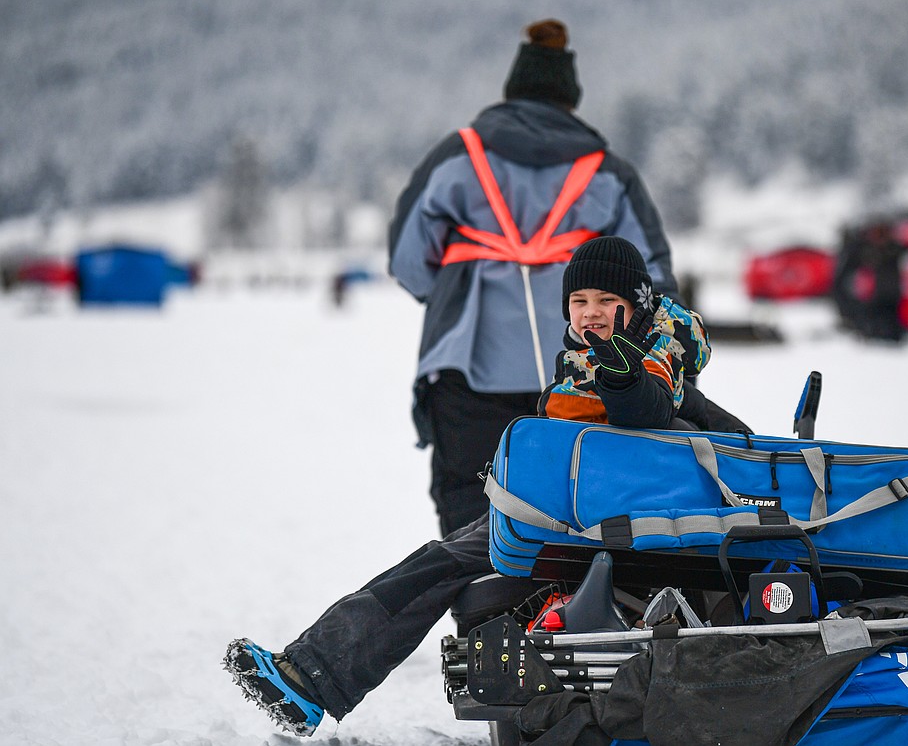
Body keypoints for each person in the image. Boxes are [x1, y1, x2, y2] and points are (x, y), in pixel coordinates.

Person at [224, 238, 716, 737]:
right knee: (439, 560)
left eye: (606, 303)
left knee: (443, 565)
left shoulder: (652, 347)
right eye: (578, 302)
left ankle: (312, 678)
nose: (590, 314)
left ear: (634, 307)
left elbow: (647, 409)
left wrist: (622, 372)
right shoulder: (592, 356)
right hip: (568, 502)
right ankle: (309, 675)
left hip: (596, 514)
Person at [388, 19, 680, 537]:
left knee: (470, 503)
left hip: (468, 368)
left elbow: (409, 262)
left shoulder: (459, 158)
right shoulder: (607, 172)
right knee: (580, 508)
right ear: (569, 100)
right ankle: (565, 615)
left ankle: (480, 614)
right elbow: (653, 284)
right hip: (588, 372)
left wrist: (456, 285)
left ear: (511, 93)